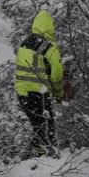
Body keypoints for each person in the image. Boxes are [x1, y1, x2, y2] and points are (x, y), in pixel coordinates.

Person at [14, 10, 64, 157]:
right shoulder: (48, 46)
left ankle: (36, 157)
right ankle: (50, 158)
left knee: (38, 125)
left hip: (22, 93)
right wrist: (58, 93)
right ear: (50, 28)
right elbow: (56, 73)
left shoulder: (25, 43)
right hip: (38, 92)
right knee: (47, 127)